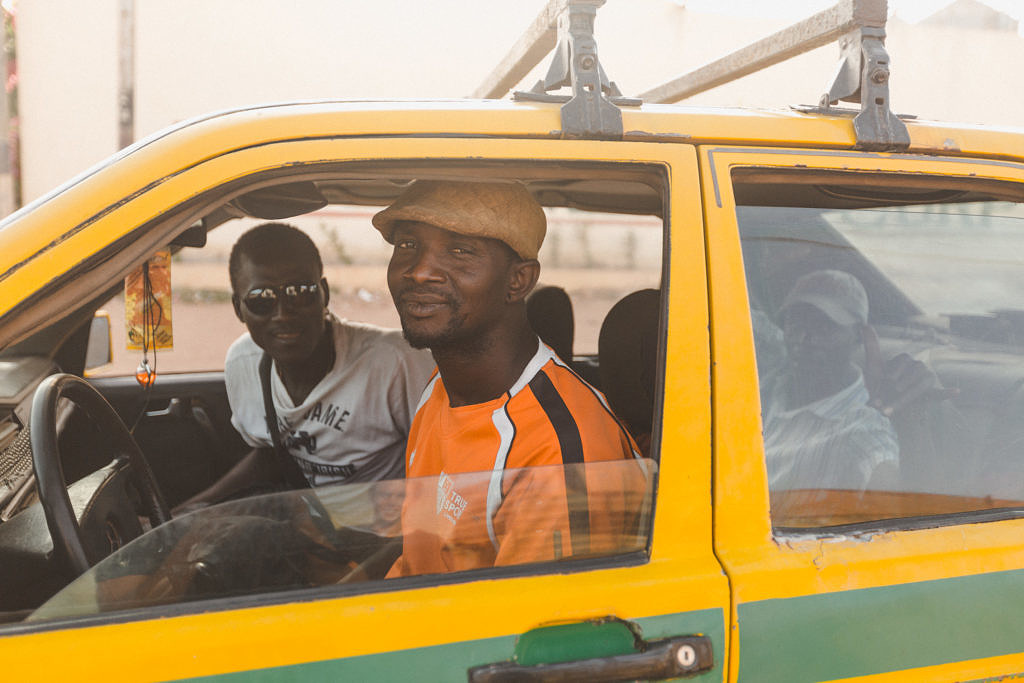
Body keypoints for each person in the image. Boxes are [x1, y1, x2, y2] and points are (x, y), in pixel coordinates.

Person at [370, 180, 643, 576]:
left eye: (460, 251)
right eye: (407, 246)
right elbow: (422, 554)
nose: (420, 272)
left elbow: (530, 629)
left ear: (519, 281)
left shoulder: (555, 453)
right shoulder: (443, 385)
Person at [176, 223, 434, 510]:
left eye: (300, 292)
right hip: (313, 524)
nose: (284, 314)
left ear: (324, 293)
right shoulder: (243, 364)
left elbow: (445, 473)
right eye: (261, 299)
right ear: (238, 308)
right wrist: (199, 505)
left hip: (390, 534)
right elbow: (274, 454)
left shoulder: (396, 363)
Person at [760, 270, 899, 499]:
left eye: (823, 326)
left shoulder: (860, 426)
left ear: (859, 337)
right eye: (795, 322)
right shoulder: (765, 383)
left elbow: (886, 488)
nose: (804, 338)